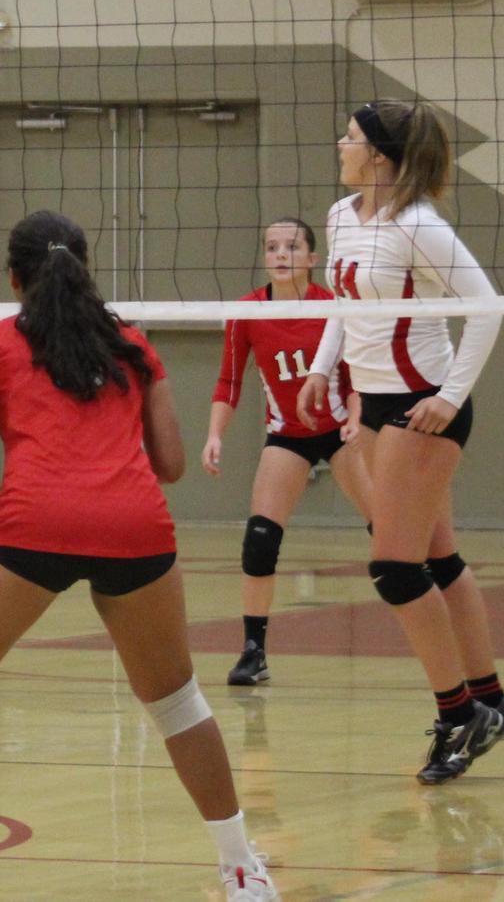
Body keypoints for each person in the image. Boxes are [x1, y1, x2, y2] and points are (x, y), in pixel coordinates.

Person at [0, 210, 276, 902]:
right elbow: (171, 465)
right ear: (85, 269)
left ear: (12, 277)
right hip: (135, 526)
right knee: (178, 702)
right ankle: (244, 871)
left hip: (36, 523)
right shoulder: (133, 346)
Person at [295, 100, 504, 784]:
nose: (340, 144)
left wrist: (449, 397)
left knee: (395, 568)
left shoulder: (419, 225)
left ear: (379, 155)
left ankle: (459, 714)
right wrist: (321, 368)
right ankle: (492, 698)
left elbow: (488, 307)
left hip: (421, 407)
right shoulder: (342, 216)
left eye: (351, 137)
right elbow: (345, 306)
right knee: (438, 558)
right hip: (374, 402)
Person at [202, 217, 360, 686]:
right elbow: (229, 380)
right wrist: (215, 435)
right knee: (260, 539)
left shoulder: (333, 306)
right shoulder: (247, 311)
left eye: (291, 247)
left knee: (390, 532)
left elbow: (356, 375)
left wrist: (356, 418)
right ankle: (254, 652)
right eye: (272, 247)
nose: (280, 255)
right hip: (287, 435)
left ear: (312, 258)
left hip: (339, 429)